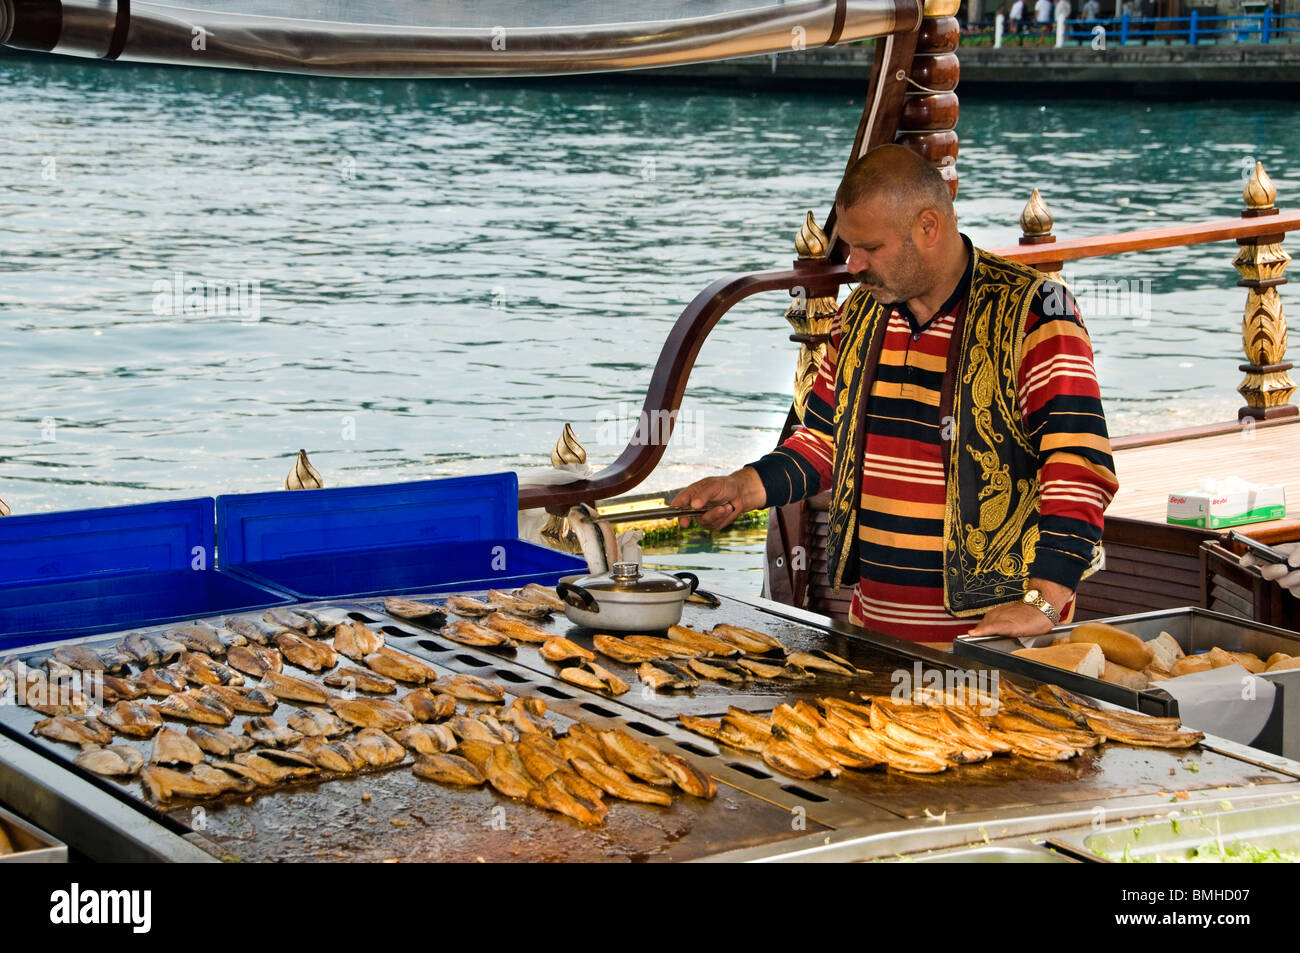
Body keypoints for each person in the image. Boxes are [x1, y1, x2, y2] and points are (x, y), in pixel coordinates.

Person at [672, 145, 1119, 644]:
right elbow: (821, 439)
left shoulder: (1035, 313)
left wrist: (1044, 601)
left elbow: (1078, 464)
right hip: (877, 631)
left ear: (928, 227)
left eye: (871, 248)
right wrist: (744, 488)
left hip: (997, 641)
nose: (854, 264)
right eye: (850, 247)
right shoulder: (859, 316)